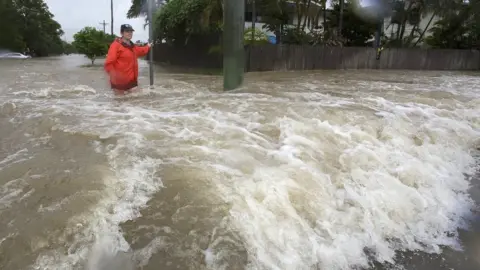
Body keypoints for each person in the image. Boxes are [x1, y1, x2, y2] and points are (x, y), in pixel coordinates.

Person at [104, 24, 152, 94]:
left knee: (135, 100)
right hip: (119, 82)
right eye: (127, 31)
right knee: (119, 102)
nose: (130, 33)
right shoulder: (115, 45)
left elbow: (141, 50)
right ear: (121, 33)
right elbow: (109, 63)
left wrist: (148, 46)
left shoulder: (132, 47)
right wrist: (114, 78)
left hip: (131, 80)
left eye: (131, 31)